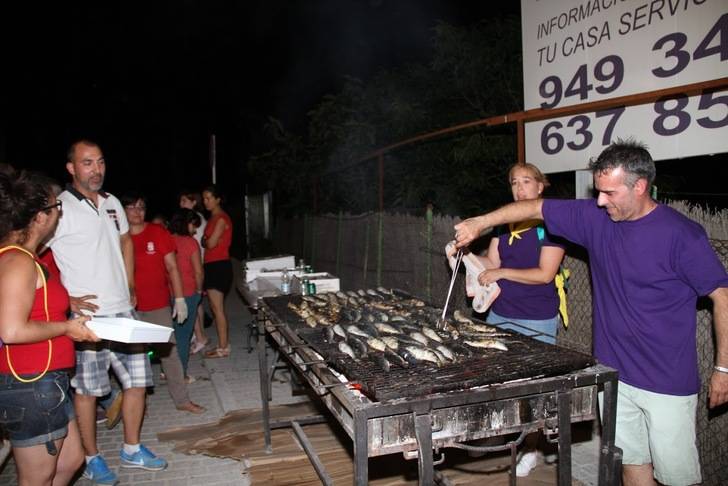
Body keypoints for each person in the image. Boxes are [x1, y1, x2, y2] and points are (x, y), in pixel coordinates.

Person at [455, 140, 728, 486]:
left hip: (667, 382)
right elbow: (535, 208)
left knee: (677, 479)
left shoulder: (682, 235)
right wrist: (481, 221)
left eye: (609, 193)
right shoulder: (596, 218)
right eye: (598, 191)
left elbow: (723, 296)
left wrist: (723, 368)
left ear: (640, 186)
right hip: (613, 374)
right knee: (631, 466)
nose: (600, 201)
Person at [47, 140, 167, 484]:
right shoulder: (61, 208)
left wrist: (129, 283)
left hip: (124, 311)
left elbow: (126, 241)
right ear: (71, 168)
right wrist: (66, 300)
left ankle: (132, 449)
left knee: (139, 384)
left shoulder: (114, 202)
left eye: (100, 162)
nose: (96, 169)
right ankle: (91, 457)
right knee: (88, 391)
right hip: (89, 319)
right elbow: (36, 256)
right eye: (87, 163)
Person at [0, 167, 99, 485]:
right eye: (57, 207)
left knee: (71, 459)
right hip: (30, 384)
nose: (60, 213)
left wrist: (68, 306)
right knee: (37, 477)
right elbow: (11, 331)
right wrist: (67, 329)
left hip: (47, 382)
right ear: (41, 216)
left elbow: (36, 305)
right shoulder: (18, 262)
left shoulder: (27, 258)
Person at [473, 162, 565, 476]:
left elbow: (544, 274)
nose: (519, 187)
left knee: (534, 387)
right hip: (501, 312)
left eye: (527, 181)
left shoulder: (551, 226)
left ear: (541, 187)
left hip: (536, 317)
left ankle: (533, 448)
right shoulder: (504, 226)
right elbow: (491, 262)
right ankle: (508, 437)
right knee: (501, 380)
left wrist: (502, 272)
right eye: (514, 182)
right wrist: (464, 255)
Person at [121, 193, 203, 414]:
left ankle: (182, 400)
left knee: (169, 352)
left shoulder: (157, 232)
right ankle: (139, 404)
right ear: (122, 210)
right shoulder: (116, 235)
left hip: (158, 304)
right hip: (129, 307)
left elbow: (172, 267)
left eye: (141, 207)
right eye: (132, 207)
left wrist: (179, 299)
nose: (137, 212)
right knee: (135, 358)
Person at [168, 208, 204, 379]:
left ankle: (167, 371)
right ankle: (180, 375)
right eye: (193, 225)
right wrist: (199, 290)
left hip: (168, 293)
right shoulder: (190, 243)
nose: (195, 229)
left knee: (170, 335)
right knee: (183, 336)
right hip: (188, 292)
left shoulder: (166, 240)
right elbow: (198, 272)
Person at [201, 186, 233, 359]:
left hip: (219, 265)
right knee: (215, 307)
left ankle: (223, 347)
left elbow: (210, 243)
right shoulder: (212, 218)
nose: (206, 202)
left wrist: (206, 240)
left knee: (217, 308)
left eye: (209, 198)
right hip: (212, 265)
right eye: (204, 198)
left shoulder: (220, 219)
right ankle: (223, 344)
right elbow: (205, 240)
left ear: (218, 199)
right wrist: (206, 240)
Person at [179, 190, 209, 354]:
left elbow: (194, 247)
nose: (181, 204)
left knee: (193, 302)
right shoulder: (195, 219)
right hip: (195, 267)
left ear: (193, 202)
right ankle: (198, 335)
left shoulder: (196, 220)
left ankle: (199, 337)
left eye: (184, 200)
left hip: (194, 267)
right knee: (196, 304)